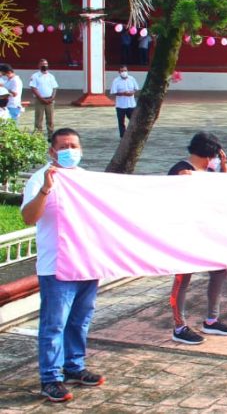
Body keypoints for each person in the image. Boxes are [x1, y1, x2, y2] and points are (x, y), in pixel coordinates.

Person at [21, 128, 105, 402]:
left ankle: (74, 366)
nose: (70, 150)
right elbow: (28, 218)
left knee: (80, 321)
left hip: (86, 262)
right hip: (57, 266)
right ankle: (50, 378)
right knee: (54, 324)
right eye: (64, 146)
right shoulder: (41, 179)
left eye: (74, 145)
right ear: (52, 151)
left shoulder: (84, 179)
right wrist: (46, 189)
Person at [167, 132, 227, 343]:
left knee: (219, 271)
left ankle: (211, 319)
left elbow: (220, 192)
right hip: (185, 234)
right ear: (209, 155)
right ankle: (179, 326)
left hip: (207, 232)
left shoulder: (207, 171)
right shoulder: (180, 171)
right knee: (183, 278)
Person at [109, 65, 140, 138]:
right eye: (122, 71)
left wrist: (132, 93)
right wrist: (123, 93)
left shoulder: (132, 79)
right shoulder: (116, 81)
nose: (124, 72)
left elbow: (136, 89)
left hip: (131, 104)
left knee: (133, 120)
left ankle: (134, 134)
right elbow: (113, 92)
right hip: (120, 105)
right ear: (119, 72)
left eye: (125, 70)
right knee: (121, 122)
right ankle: (123, 136)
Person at [29, 59, 57, 135]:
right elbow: (33, 88)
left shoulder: (51, 76)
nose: (44, 65)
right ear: (39, 66)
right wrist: (41, 99)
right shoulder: (35, 76)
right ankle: (38, 137)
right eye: (42, 64)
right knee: (39, 119)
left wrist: (52, 98)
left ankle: (50, 136)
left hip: (50, 100)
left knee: (50, 119)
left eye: (46, 64)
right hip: (39, 100)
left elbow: (54, 88)